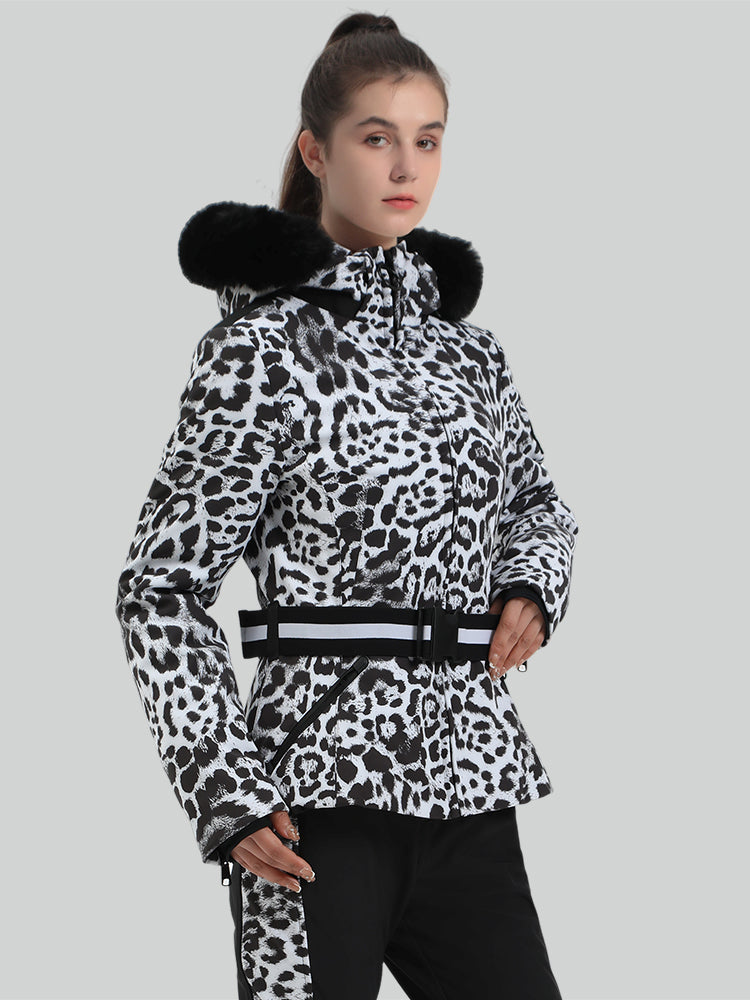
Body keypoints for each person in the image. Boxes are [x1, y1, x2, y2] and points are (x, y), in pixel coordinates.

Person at [114, 11, 579, 1000]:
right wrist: (224, 788)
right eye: (377, 137)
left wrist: (533, 585)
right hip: (309, 801)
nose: (406, 166)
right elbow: (160, 587)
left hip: (469, 781)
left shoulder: (472, 356)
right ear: (316, 151)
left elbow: (538, 504)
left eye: (428, 139)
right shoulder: (258, 352)